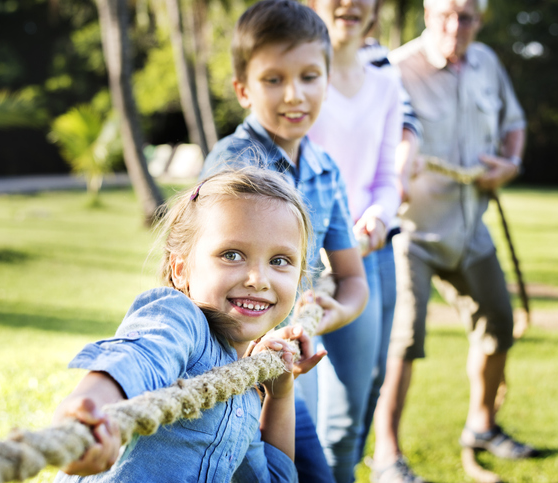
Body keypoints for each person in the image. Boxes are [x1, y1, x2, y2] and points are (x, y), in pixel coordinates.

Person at [52, 168, 327, 482]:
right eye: (232, 254)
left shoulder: (244, 394)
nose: (258, 280)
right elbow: (138, 357)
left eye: (279, 261)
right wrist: (86, 413)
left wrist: (280, 394)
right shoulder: (180, 319)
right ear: (180, 269)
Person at [201, 1, 369, 481]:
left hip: (280, 374)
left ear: (327, 80)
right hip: (228, 371)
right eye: (273, 79)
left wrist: (335, 311)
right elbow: (208, 280)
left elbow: (353, 277)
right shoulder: (234, 164)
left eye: (309, 77)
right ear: (243, 90)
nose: (294, 95)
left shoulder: (324, 170)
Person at [370, 0, 537, 481]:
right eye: (445, 14)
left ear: (479, 21)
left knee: (500, 322)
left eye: (465, 17)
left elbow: (515, 124)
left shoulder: (487, 63)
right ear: (427, 14)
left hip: (471, 227)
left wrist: (510, 163)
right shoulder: (397, 68)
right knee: (403, 341)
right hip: (411, 233)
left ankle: (483, 426)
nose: (454, 26)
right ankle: (386, 456)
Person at [304, 1, 408, 481]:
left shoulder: (387, 84)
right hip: (306, 263)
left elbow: (388, 176)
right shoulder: (300, 80)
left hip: (371, 253)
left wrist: (378, 217)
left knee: (364, 391)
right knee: (298, 405)